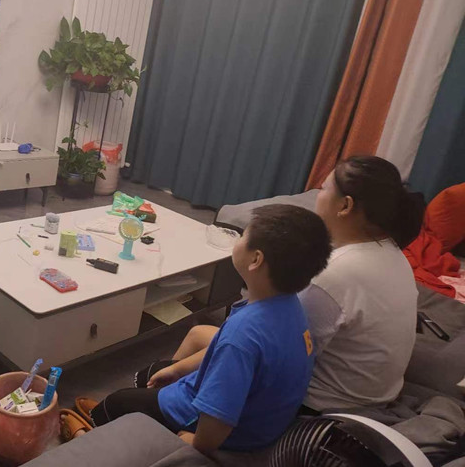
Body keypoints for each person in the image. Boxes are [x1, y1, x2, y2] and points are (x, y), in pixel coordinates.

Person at [60, 204, 332, 454]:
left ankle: (91, 435)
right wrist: (179, 369)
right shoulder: (291, 307)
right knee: (153, 374)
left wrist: (196, 443)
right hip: (261, 424)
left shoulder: (243, 335)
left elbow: (220, 415)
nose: (238, 241)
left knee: (118, 402)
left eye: (243, 237)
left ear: (256, 260)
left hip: (227, 433)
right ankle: (133, 413)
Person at [299, 155, 425, 411]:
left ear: (345, 205)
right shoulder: (392, 251)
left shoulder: (334, 274)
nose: (317, 196)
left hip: (323, 407)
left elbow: (287, 353)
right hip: (379, 397)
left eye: (323, 189)